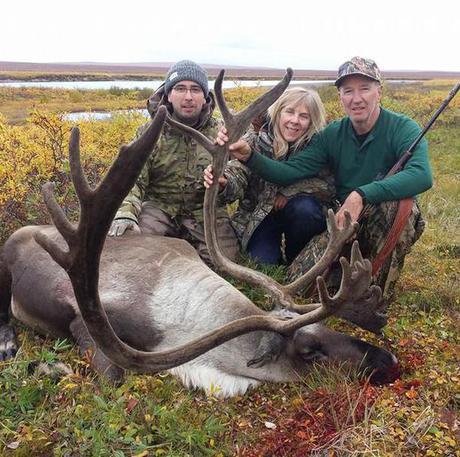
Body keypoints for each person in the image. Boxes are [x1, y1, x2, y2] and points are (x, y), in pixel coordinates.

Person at [213, 56, 433, 307]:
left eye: (365, 88)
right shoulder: (332, 134)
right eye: (348, 91)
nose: (356, 98)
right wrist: (250, 156)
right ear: (340, 96)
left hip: (380, 215)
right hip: (342, 220)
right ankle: (344, 271)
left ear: (379, 91)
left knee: (401, 207)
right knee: (298, 288)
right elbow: (288, 172)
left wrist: (360, 195)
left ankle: (376, 294)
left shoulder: (402, 128)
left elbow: (421, 175)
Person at [108, 60, 239, 265]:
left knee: (223, 264)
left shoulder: (223, 134)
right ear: (168, 95)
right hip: (159, 209)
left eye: (195, 89)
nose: (188, 97)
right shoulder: (148, 133)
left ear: (205, 97)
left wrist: (225, 183)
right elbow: (132, 180)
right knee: (134, 255)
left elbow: (239, 178)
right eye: (180, 88)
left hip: (204, 211)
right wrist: (126, 214)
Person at [204, 88, 335, 265]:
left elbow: (327, 185)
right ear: (278, 111)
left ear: (312, 121)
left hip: (299, 212)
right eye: (289, 112)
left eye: (304, 116)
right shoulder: (255, 137)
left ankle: (296, 257)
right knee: (263, 262)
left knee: (305, 210)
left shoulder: (317, 145)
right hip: (260, 216)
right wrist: (224, 182)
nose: (295, 121)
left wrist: (289, 193)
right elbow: (238, 171)